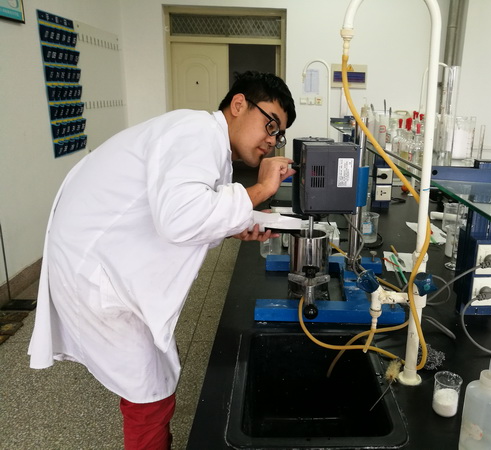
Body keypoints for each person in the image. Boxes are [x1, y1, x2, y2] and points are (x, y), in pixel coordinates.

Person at [28, 71, 296, 449]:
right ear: (239, 104)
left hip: (102, 264)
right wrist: (262, 188)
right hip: (96, 275)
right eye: (270, 124)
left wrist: (233, 226)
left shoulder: (206, 142)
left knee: (152, 379)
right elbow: (179, 219)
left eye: (278, 134)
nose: (272, 139)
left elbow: (191, 212)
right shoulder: (196, 132)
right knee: (149, 394)